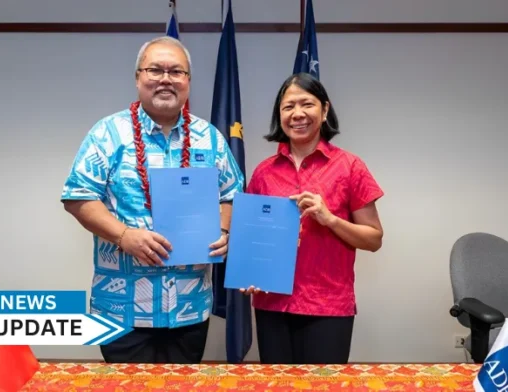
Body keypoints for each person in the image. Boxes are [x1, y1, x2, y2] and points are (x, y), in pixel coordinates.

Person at [60, 36, 244, 364]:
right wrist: (123, 235)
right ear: (137, 78)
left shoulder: (211, 137)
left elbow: (231, 194)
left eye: (176, 71)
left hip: (189, 308)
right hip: (122, 311)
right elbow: (78, 197)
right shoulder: (107, 133)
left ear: (188, 81)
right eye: (154, 69)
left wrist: (225, 232)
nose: (165, 79)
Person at [242, 73, 384, 365]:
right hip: (273, 304)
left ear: (325, 110)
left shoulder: (350, 167)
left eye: (307, 104)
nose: (297, 114)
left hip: (328, 306)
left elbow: (374, 239)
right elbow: (251, 238)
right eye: (288, 107)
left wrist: (329, 219)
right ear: (279, 114)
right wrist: (249, 273)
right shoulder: (263, 172)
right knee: (276, 388)